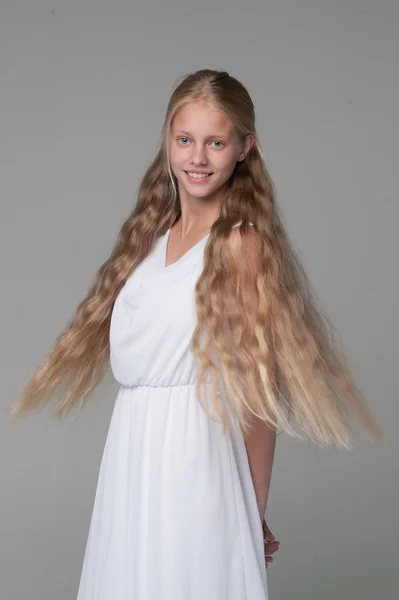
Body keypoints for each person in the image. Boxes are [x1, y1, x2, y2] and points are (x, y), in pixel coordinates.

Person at [9, 69, 386, 600]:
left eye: (216, 142)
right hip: (131, 457)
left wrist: (252, 512)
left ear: (243, 148)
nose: (198, 157)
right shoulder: (146, 243)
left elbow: (258, 396)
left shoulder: (241, 245)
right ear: (168, 140)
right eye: (185, 139)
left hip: (198, 459)